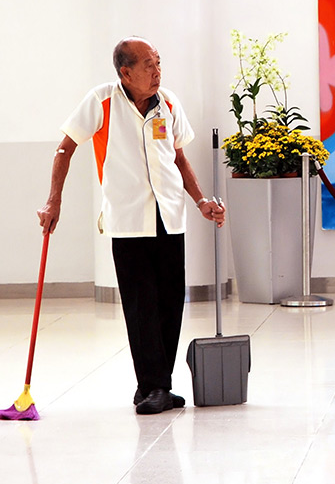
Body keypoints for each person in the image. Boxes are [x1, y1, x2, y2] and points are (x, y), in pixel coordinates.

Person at [37, 37, 226, 414]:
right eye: (148, 65)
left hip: (169, 218)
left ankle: (159, 386)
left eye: (158, 63)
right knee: (141, 306)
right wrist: (54, 200)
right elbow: (65, 149)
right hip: (128, 222)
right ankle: (153, 385)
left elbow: (179, 158)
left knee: (170, 303)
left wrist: (201, 201)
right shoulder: (101, 101)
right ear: (125, 72)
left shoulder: (167, 103)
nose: (157, 72)